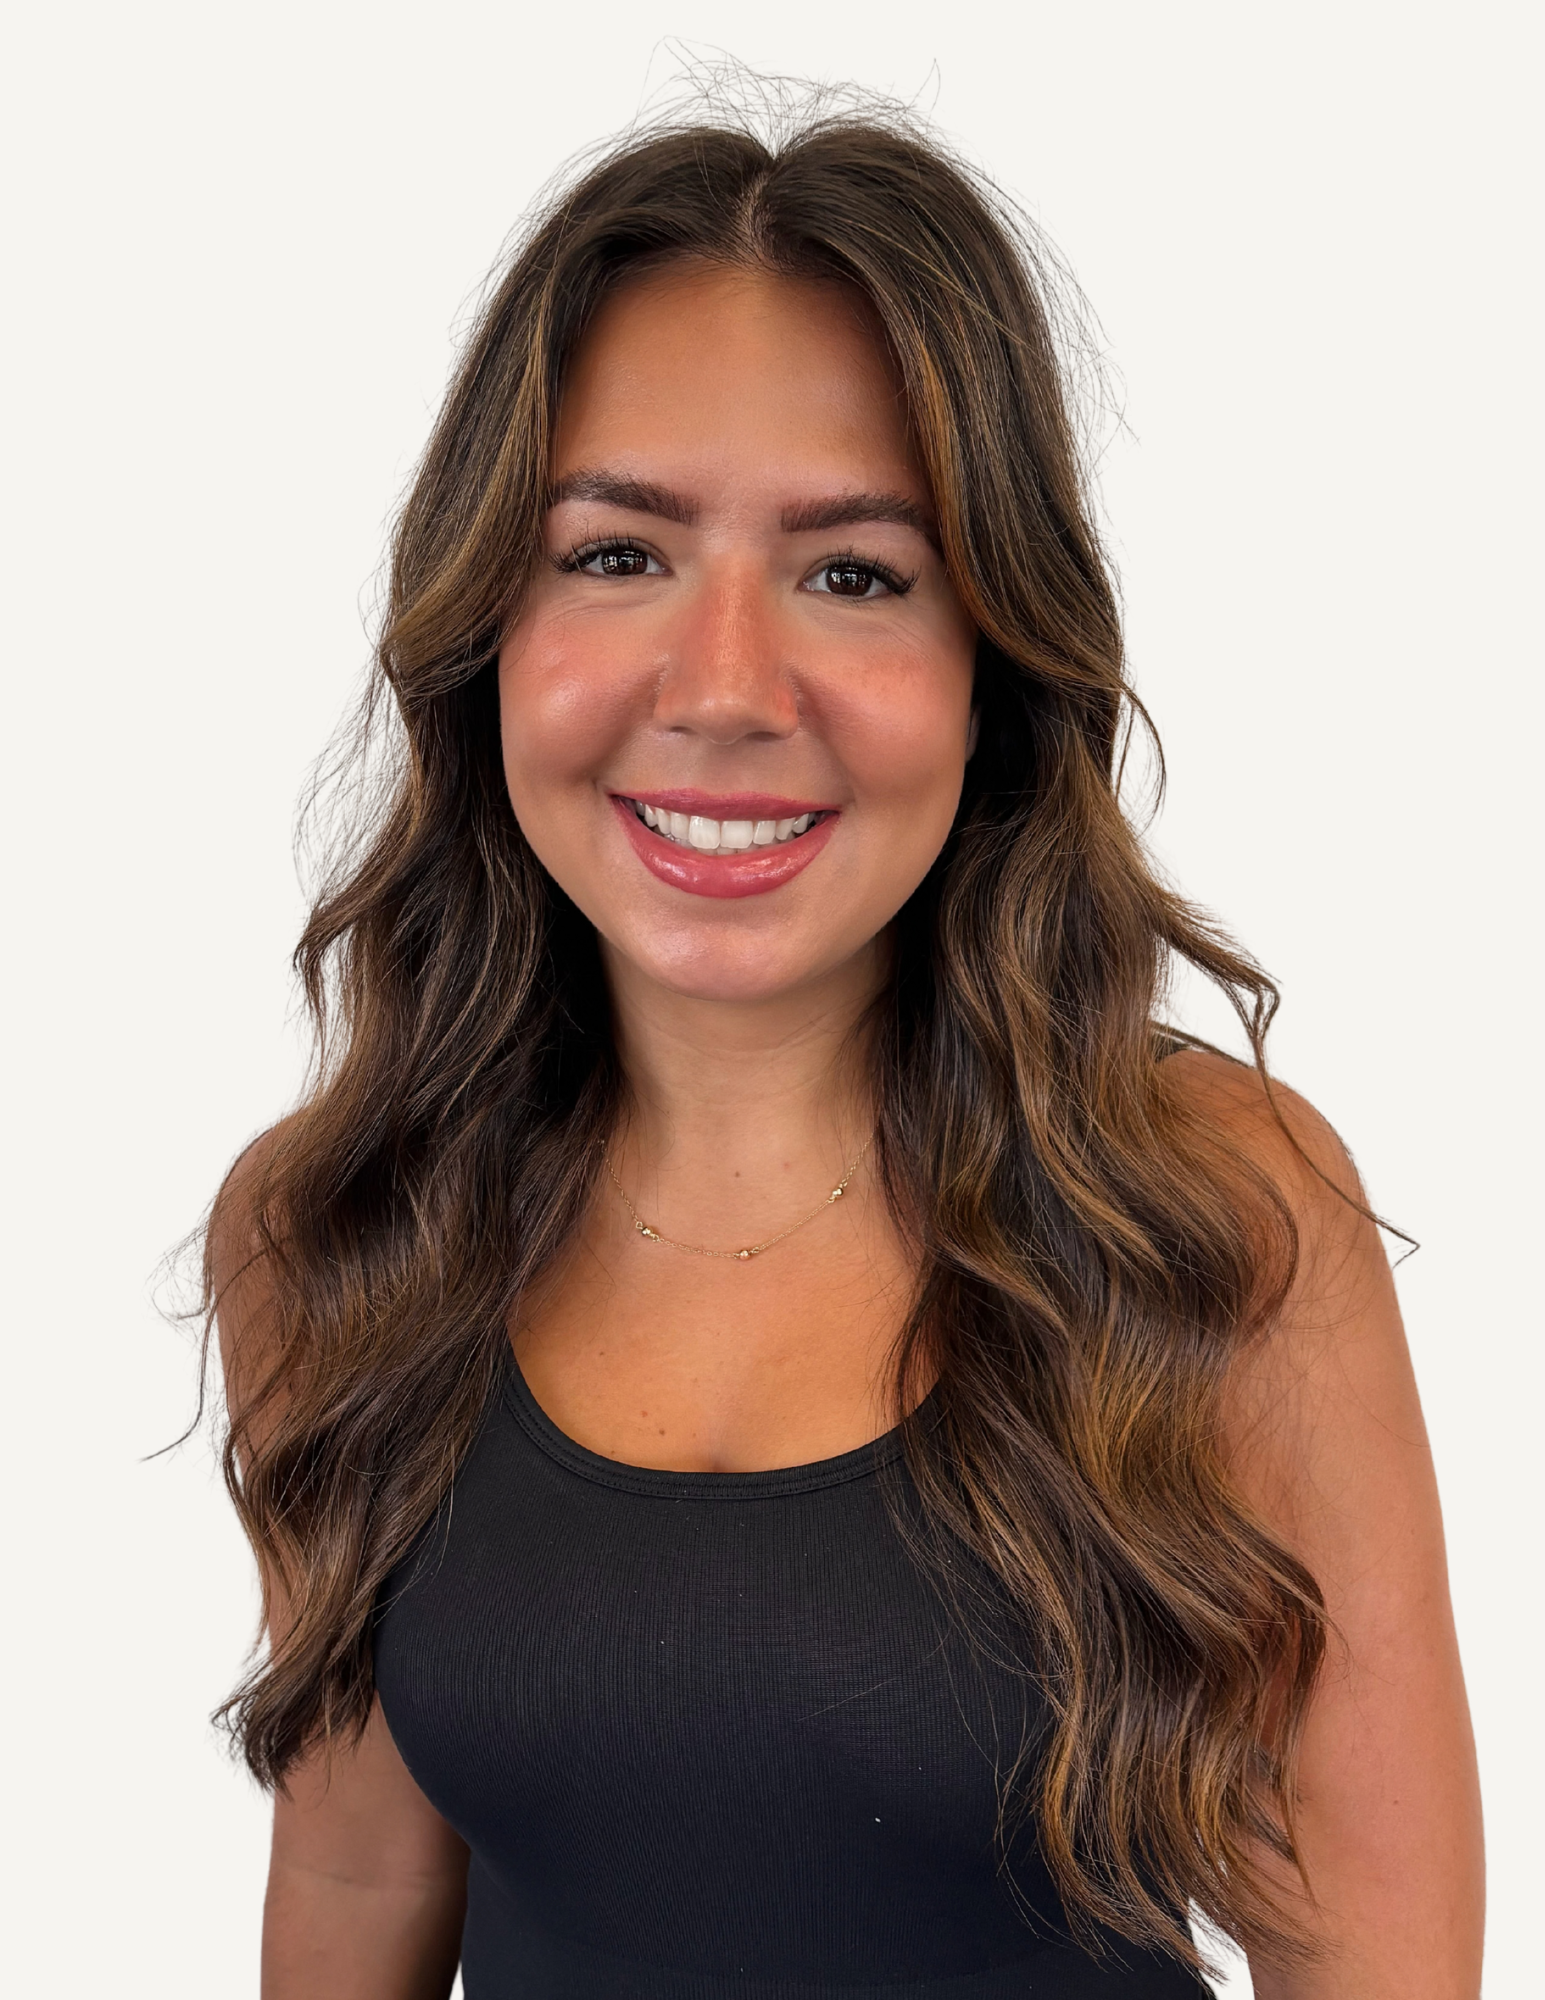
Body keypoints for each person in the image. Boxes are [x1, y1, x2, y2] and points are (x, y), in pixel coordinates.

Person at [206, 104, 1483, 2000]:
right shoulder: (341, 1227)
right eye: (618, 553)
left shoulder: (1205, 1212)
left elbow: (1378, 1961)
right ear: (488, 624)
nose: (723, 688)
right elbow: (355, 1904)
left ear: (996, 660)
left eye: (856, 573)